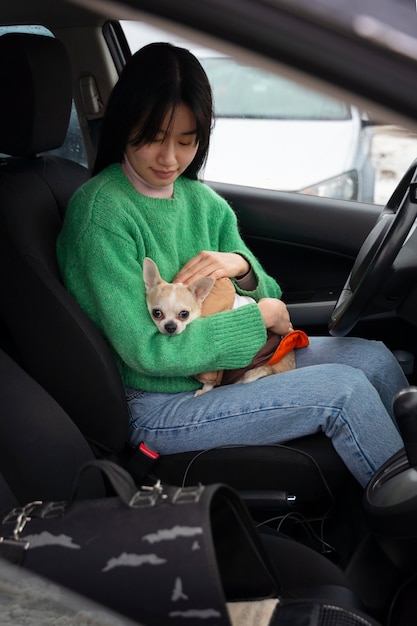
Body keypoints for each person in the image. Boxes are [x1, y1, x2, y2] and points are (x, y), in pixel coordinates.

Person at [56, 42, 405, 488]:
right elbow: (148, 350)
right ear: (125, 124)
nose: (169, 159)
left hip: (233, 370)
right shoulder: (101, 215)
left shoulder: (202, 203)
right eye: (153, 138)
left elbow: (272, 296)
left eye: (186, 141)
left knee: (373, 359)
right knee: (345, 392)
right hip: (161, 404)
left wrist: (239, 265)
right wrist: (256, 318)